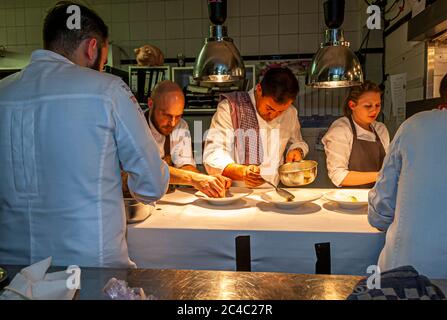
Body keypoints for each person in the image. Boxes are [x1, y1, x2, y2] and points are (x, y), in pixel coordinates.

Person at [0, 2, 169, 268]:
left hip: (14, 276)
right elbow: (151, 186)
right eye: (102, 61)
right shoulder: (108, 90)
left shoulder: (4, 92)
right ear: (92, 47)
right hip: (91, 273)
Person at [368, 71, 447, 279]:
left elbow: (382, 206)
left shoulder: (415, 125)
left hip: (410, 264)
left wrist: (383, 219)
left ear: (444, 94)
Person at [203, 67, 309, 188]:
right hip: (236, 195)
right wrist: (242, 173)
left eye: (281, 112)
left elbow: (297, 142)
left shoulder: (290, 113)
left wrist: (297, 151)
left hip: (273, 193)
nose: (273, 116)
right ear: (259, 89)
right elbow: (213, 153)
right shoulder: (231, 108)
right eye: (269, 108)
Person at [146, 80, 231, 198]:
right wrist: (195, 179)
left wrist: (208, 180)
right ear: (150, 104)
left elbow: (184, 165)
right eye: (167, 115)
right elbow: (148, 169)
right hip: (138, 201)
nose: (173, 123)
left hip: (165, 201)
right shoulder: (136, 127)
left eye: (178, 116)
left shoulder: (181, 126)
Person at [322, 81, 390, 188]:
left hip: (379, 197)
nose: (374, 110)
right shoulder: (341, 129)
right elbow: (338, 176)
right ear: (352, 105)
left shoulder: (381, 129)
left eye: (378, 105)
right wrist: (380, 175)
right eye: (368, 106)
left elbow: (388, 166)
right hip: (349, 200)